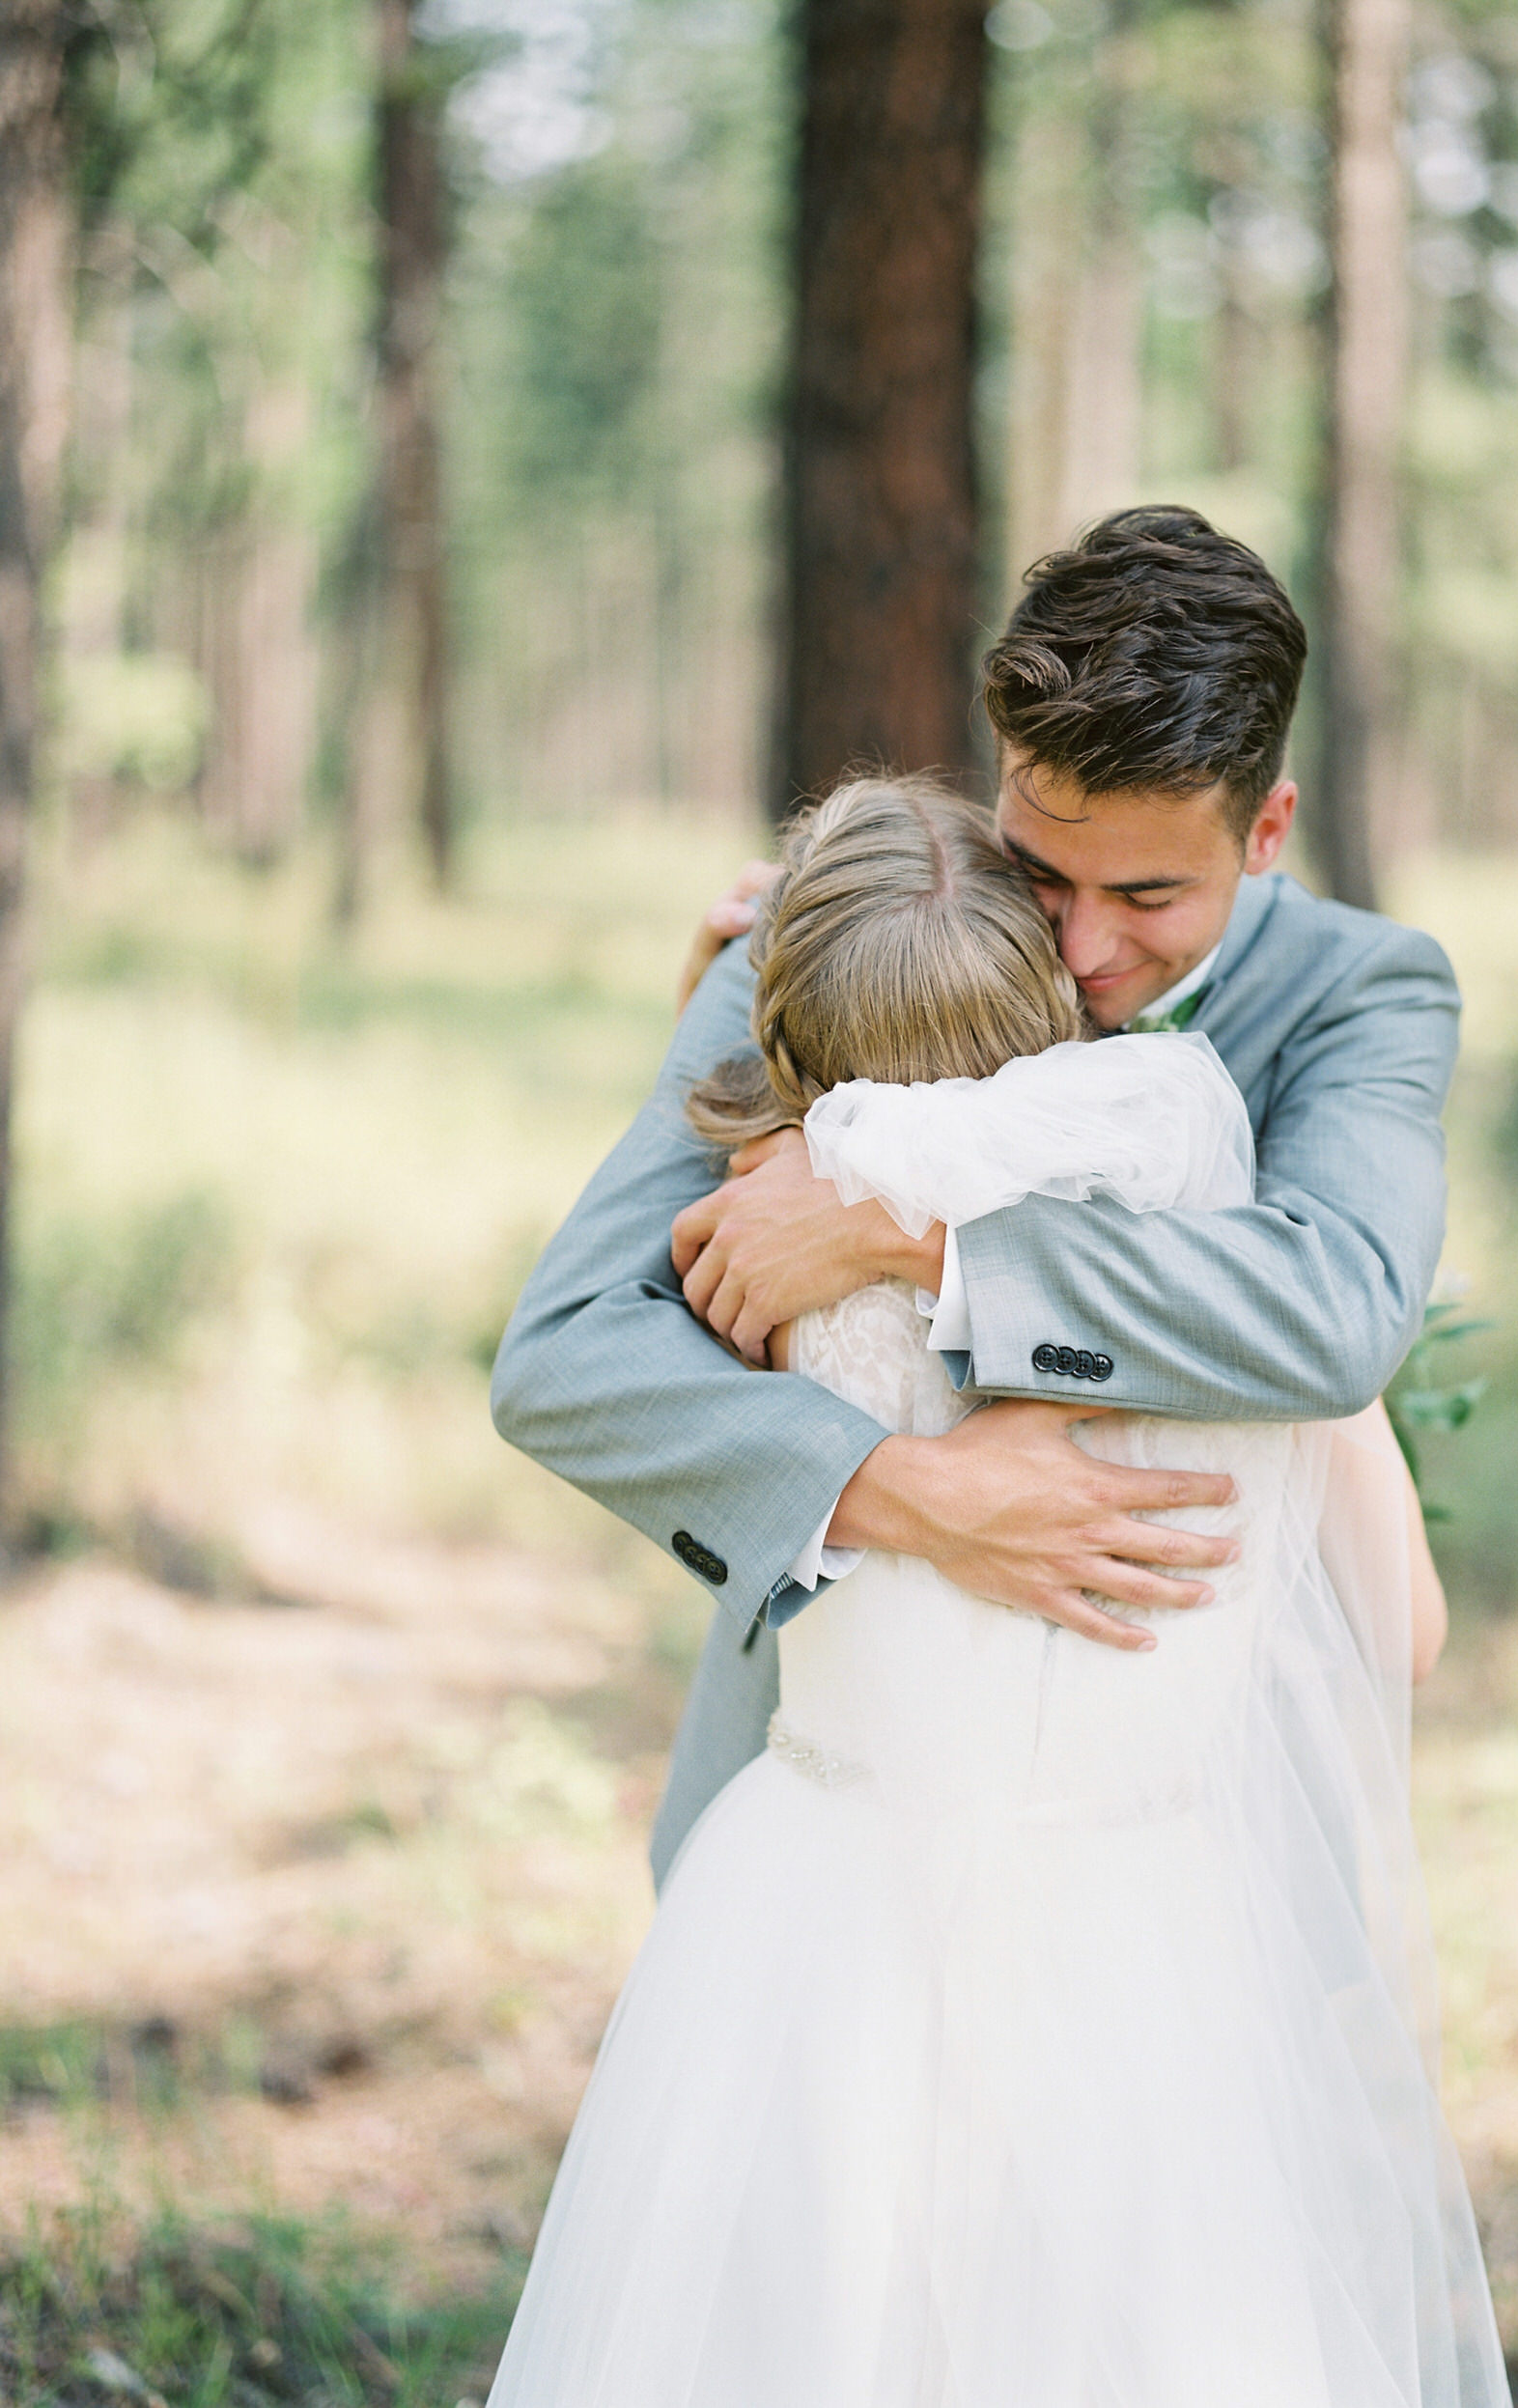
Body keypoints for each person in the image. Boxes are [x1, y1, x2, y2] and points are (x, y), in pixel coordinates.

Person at [485, 779, 1506, 2406]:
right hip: (1151, 1951)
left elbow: (650, 1306)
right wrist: (1307, 1382)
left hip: (809, 1931)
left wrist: (717, 1044)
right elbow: (1409, 1627)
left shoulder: (763, 1246)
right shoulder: (1231, 1248)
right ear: (1054, 990)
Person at [491, 506, 1463, 1890]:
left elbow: (1339, 1308)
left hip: (1189, 1814)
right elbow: (569, 1350)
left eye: (1147, 892)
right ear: (1007, 766)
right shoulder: (827, 931)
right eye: (1042, 867)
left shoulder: (1360, 993)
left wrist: (909, 1231)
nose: (1078, 944)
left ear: (1266, 829)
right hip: (840, 1787)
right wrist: (906, 1491)